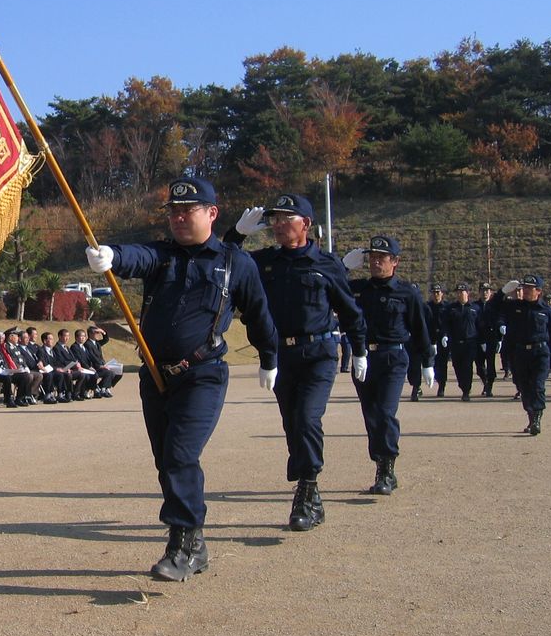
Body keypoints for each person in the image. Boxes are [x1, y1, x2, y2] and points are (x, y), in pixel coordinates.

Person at [86, 177, 277, 581]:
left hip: (202, 375)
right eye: (172, 211)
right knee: (165, 461)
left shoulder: (234, 263)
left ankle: (183, 542)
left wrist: (269, 359)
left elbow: (259, 315)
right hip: (156, 377)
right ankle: (197, 543)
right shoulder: (163, 255)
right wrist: (111, 256)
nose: (177, 217)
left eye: (186, 211)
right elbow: (136, 256)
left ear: (211, 213)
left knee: (180, 454)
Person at [227, 193, 365, 532]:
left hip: (318, 354)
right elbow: (225, 262)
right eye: (274, 219)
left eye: (285, 218)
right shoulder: (265, 262)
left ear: (306, 224)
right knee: (293, 424)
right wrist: (237, 234)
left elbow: (350, 310)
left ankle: (306, 490)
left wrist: (359, 350)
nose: (277, 225)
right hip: (281, 356)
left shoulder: (327, 263)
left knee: (306, 418)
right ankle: (312, 491)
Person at [341, 236, 432, 494]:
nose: (376, 262)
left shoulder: (407, 292)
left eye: (382, 257)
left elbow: (419, 328)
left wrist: (427, 361)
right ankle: (381, 464)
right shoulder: (358, 288)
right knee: (371, 415)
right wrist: (344, 267)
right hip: (364, 359)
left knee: (384, 412)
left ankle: (388, 469)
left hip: (393, 358)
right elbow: (328, 284)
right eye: (372, 257)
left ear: (395, 261)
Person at [493, 276, 551, 435]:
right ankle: (531, 416)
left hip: (540, 352)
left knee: (537, 385)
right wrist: (502, 292)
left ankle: (537, 417)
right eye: (525, 287)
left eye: (530, 288)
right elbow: (493, 307)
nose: (526, 290)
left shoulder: (545, 309)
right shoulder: (515, 306)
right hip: (520, 352)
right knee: (524, 386)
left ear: (539, 291)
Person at [442, 283, 482, 401]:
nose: (459, 294)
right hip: (455, 343)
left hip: (470, 343)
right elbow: (446, 324)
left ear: (467, 293)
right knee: (457, 366)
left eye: (462, 292)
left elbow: (480, 325)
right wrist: (445, 335)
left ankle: (466, 390)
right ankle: (462, 385)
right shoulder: (451, 308)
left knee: (467, 366)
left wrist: (482, 341)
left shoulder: (475, 308)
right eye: (458, 292)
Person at [476, 282, 503, 397]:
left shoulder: (494, 305)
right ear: (479, 292)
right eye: (483, 290)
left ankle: (489, 386)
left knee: (491, 364)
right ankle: (485, 381)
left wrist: (499, 339)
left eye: (487, 290)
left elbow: (499, 321)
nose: (485, 292)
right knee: (479, 366)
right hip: (478, 339)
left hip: (491, 338)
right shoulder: (475, 306)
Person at [426, 283, 449, 395]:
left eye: (438, 292)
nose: (436, 295)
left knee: (442, 363)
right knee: (432, 363)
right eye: (434, 292)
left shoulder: (447, 307)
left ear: (442, 294)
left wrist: (446, 335)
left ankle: (442, 385)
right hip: (430, 339)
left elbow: (449, 323)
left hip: (442, 339)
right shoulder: (427, 307)